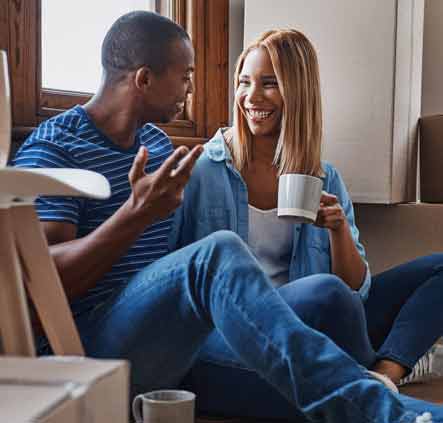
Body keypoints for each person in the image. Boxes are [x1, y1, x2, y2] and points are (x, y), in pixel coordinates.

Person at [13, 12, 441, 423]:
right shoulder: (56, 148)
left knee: (316, 391)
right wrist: (134, 215)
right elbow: (37, 284)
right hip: (91, 345)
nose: (192, 91)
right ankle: (389, 408)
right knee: (219, 253)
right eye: (185, 77)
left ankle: (390, 399)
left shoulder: (159, 149)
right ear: (144, 79)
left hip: (173, 343)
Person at [171, 29, 443, 419]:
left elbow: (356, 289)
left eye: (269, 84)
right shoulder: (201, 171)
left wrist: (338, 231)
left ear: (298, 93)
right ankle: (369, 384)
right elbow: (174, 281)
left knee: (430, 270)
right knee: (325, 292)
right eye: (244, 83)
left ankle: (384, 373)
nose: (252, 97)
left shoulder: (324, 177)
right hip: (242, 330)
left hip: (321, 323)